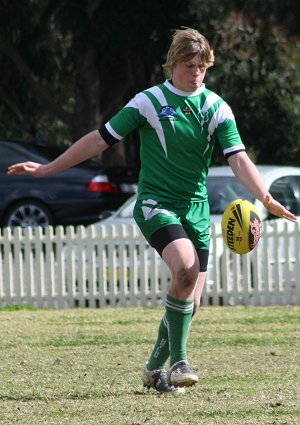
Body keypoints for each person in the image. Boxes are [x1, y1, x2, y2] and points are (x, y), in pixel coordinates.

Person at [8, 28, 297, 394]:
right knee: (186, 269)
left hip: (196, 209)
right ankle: (179, 363)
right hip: (155, 204)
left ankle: (152, 371)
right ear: (173, 63)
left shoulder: (216, 108)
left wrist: (266, 197)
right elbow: (101, 138)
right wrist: (48, 169)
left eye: (203, 67)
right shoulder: (148, 101)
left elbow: (238, 159)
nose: (196, 73)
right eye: (190, 65)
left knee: (189, 300)